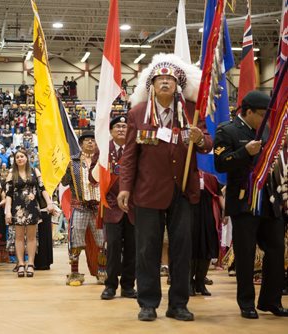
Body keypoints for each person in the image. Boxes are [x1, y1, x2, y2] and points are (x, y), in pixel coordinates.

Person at [118, 54, 211, 322]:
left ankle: (178, 304)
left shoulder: (192, 111)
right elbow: (128, 156)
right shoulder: (137, 113)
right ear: (152, 85)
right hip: (147, 193)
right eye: (160, 79)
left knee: (182, 250)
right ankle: (147, 303)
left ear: (178, 84)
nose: (165, 83)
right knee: (147, 249)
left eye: (170, 79)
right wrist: (125, 188)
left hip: (182, 191)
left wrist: (200, 139)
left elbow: (208, 141)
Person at [214, 90, 288, 318]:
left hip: (269, 200)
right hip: (244, 201)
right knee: (245, 255)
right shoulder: (227, 130)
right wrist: (243, 152)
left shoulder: (266, 130)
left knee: (276, 249)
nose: (265, 117)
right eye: (262, 113)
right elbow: (220, 163)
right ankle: (246, 302)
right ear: (247, 111)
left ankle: (270, 300)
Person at [90, 115, 137, 300]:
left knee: (132, 248)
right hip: (111, 206)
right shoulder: (103, 150)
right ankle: (110, 286)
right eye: (117, 126)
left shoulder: (136, 148)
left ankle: (128, 286)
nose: (121, 129)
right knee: (113, 249)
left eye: (124, 126)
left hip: (132, 206)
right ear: (110, 131)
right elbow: (93, 178)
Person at [61, 131, 105, 286]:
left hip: (98, 207)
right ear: (81, 144)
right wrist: (62, 169)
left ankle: (102, 272)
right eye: (87, 140)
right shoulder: (72, 162)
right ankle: (74, 273)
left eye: (93, 140)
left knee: (102, 240)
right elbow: (65, 182)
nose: (91, 143)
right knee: (75, 240)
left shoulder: (102, 160)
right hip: (79, 206)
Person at [5, 149, 54, 277]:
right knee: (19, 237)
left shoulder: (34, 171)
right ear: (15, 160)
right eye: (17, 157)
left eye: (22, 156)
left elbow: (42, 188)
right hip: (17, 208)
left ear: (27, 158)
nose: (20, 159)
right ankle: (21, 264)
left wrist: (49, 203)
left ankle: (31, 264)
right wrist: (7, 211)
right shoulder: (11, 173)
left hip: (32, 207)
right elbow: (8, 194)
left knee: (32, 237)